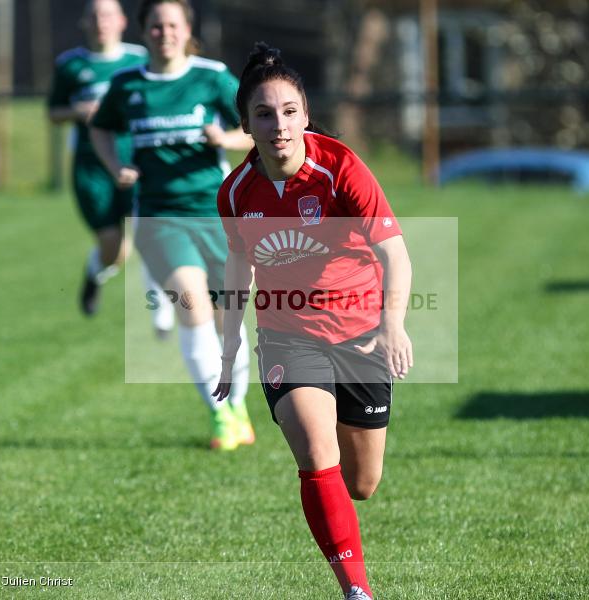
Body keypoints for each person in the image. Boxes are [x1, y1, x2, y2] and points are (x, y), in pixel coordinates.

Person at [213, 43, 413, 600]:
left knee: (362, 483)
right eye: (263, 114)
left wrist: (393, 324)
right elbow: (238, 264)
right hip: (287, 336)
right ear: (245, 125)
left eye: (289, 112)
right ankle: (356, 591)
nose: (278, 125)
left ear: (305, 115)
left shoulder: (341, 168)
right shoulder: (235, 193)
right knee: (316, 454)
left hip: (361, 334)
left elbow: (395, 253)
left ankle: (342, 522)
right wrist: (229, 347)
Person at [89, 0, 256, 450]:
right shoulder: (127, 84)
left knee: (228, 322)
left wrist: (226, 138)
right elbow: (100, 128)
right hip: (159, 218)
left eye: (172, 25)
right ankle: (219, 415)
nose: (165, 33)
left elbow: (257, 126)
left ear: (187, 29)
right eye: (156, 26)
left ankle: (238, 406)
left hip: (217, 216)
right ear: (144, 31)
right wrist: (115, 166)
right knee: (191, 306)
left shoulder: (212, 77)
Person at [48, 0, 174, 332]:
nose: (100, 22)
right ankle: (94, 273)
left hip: (136, 162)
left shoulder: (139, 60)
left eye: (107, 15)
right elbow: (53, 112)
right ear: (84, 22)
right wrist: (77, 111)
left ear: (121, 21)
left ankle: (160, 308)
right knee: (114, 250)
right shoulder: (71, 65)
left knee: (149, 235)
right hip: (92, 167)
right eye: (93, 16)